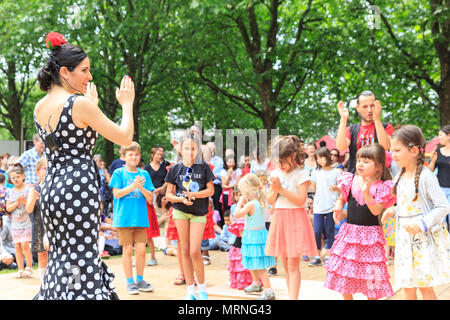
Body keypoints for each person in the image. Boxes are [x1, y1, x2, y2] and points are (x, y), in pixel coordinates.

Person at [33, 32, 134, 300]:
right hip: (78, 188)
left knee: (63, 254)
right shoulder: (78, 104)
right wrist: (127, 105)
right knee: (82, 253)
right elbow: (124, 137)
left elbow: (72, 140)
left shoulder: (39, 107)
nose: (89, 77)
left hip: (53, 189)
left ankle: (63, 293)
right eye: (85, 71)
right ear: (65, 72)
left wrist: (93, 107)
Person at [382, 125, 450, 300]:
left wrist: (421, 224)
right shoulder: (400, 176)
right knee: (407, 286)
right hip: (404, 240)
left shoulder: (427, 176)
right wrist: (394, 210)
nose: (393, 154)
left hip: (422, 241)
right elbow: (408, 205)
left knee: (424, 286)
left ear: (413, 150)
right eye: (392, 150)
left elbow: (443, 206)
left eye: (397, 150)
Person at [325, 143, 396, 300]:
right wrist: (338, 207)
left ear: (378, 167)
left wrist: (367, 193)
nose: (360, 164)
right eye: (359, 160)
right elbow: (342, 198)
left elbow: (376, 211)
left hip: (371, 238)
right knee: (345, 273)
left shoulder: (384, 186)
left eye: (366, 161)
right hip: (350, 234)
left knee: (372, 280)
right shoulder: (350, 180)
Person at [266, 135, 318, 300]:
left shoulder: (301, 174)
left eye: (283, 161)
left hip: (295, 219)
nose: (280, 165)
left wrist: (280, 189)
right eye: (278, 161)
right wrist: (274, 189)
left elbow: (300, 200)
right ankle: (291, 296)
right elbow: (269, 200)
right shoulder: (275, 173)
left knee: (293, 264)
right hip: (280, 219)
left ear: (294, 156)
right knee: (285, 264)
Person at [164, 133, 215, 300]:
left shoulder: (204, 167)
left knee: (195, 251)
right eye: (186, 148)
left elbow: (210, 191)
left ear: (198, 149)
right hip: (180, 211)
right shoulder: (174, 169)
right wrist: (181, 199)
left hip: (199, 213)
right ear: (180, 149)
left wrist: (195, 194)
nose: (189, 151)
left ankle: (202, 290)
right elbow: (168, 195)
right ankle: (190, 291)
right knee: (184, 250)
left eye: (193, 148)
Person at [110, 141, 155, 295]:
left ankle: (140, 280)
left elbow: (150, 199)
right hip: (124, 219)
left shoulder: (144, 174)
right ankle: (130, 282)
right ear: (124, 157)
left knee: (142, 250)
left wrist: (140, 186)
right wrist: (133, 186)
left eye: (136, 155)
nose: (133, 157)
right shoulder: (118, 173)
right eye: (130, 155)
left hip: (140, 218)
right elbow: (116, 194)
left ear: (140, 156)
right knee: (128, 250)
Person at [234, 173, 276, 300]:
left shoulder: (250, 204)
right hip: (256, 235)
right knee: (252, 261)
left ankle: (269, 291)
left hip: (253, 236)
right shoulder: (260, 202)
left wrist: (240, 202)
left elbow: (237, 215)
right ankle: (256, 283)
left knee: (258, 264)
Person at [336, 90, 394, 173]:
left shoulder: (386, 126)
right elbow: (341, 147)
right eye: (365, 106)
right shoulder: (351, 129)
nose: (369, 110)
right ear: (357, 108)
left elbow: (386, 147)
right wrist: (343, 119)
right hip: (356, 177)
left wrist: (377, 119)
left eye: (372, 106)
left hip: (379, 177)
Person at [308, 147, 341, 267]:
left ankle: (328, 255)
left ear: (327, 157)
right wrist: (309, 182)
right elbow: (313, 189)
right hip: (318, 206)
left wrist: (336, 188)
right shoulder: (316, 172)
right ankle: (317, 256)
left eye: (321, 157)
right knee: (316, 231)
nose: (320, 161)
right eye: (318, 159)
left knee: (329, 231)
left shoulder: (337, 172)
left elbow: (342, 189)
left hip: (332, 206)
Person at [5, 163, 33, 279]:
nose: (15, 179)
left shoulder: (29, 188)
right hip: (15, 223)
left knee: (25, 244)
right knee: (17, 246)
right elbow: (8, 208)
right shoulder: (10, 191)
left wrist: (23, 201)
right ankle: (20, 269)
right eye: (13, 178)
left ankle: (29, 267)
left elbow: (32, 205)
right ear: (10, 179)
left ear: (23, 176)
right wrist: (17, 202)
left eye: (17, 177)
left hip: (27, 222)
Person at [25, 157, 49, 283]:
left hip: (53, 226)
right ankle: (44, 285)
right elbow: (28, 210)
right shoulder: (34, 189)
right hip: (40, 226)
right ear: (37, 171)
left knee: (56, 256)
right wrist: (33, 198)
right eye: (44, 168)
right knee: (42, 256)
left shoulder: (55, 186)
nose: (47, 170)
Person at [428, 124, 450, 230]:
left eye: (441, 135)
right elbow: (431, 170)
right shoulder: (438, 151)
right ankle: (444, 244)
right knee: (441, 218)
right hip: (440, 189)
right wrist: (433, 161)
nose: (439, 138)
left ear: (448, 136)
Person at [144, 147, 169, 234]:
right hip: (152, 192)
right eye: (157, 154)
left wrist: (162, 188)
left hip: (163, 192)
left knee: (164, 210)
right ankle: (154, 230)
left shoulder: (164, 167)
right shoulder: (147, 168)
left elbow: (168, 179)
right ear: (152, 155)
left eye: (161, 155)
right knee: (154, 212)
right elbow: (145, 181)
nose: (159, 156)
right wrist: (153, 190)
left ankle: (164, 230)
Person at [207, 141, 225, 228]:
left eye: (211, 148)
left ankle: (219, 227)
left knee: (217, 206)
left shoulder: (219, 160)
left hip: (215, 186)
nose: (210, 150)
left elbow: (216, 174)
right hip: (205, 186)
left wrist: (210, 174)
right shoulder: (202, 159)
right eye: (208, 148)